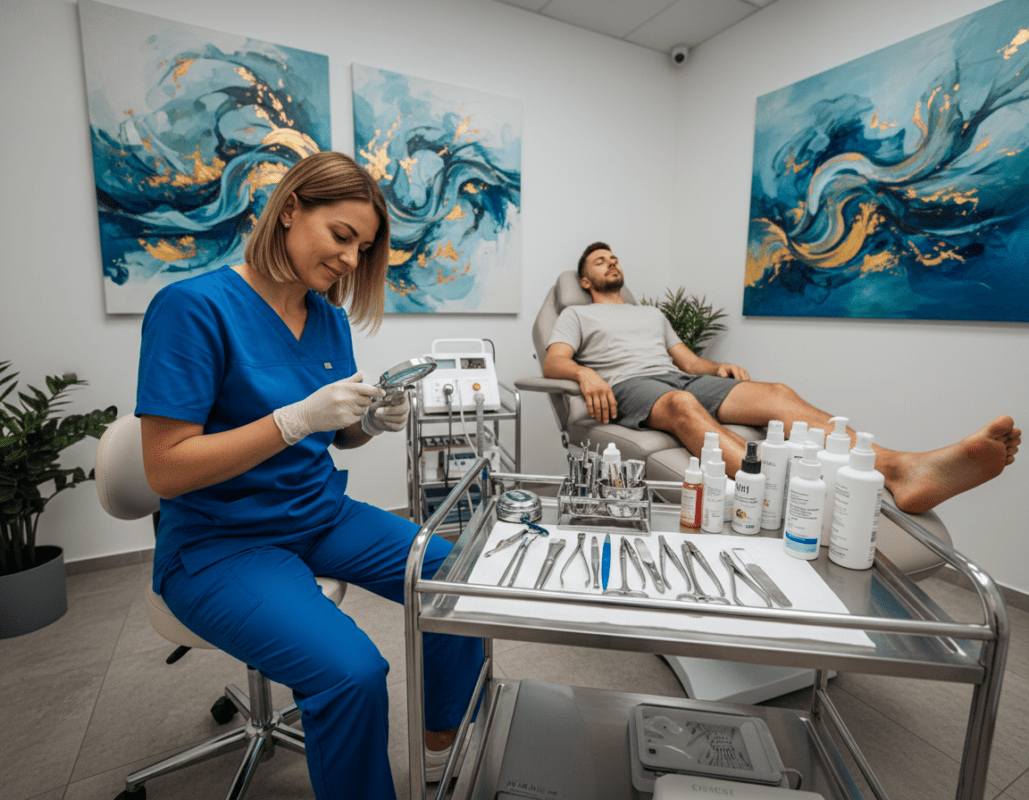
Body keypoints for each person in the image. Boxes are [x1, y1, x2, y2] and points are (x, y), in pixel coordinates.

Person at [136, 151, 482, 800]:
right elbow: (165, 468)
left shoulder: (326, 317)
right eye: (341, 236)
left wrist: (370, 421)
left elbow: (333, 433)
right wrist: (292, 420)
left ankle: (444, 746)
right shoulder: (191, 307)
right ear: (290, 209)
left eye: (363, 248)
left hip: (319, 515)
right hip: (220, 541)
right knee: (351, 673)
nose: (351, 259)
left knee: (454, 575)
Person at [543, 241, 1020, 515]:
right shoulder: (577, 315)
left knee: (777, 394)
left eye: (614, 258)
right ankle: (785, 496)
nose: (612, 263)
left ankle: (899, 469)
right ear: (585, 281)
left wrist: (716, 369)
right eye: (600, 261)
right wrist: (586, 374)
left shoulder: (651, 314)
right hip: (631, 388)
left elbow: (687, 361)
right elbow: (554, 362)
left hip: (676, 377)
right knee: (680, 407)